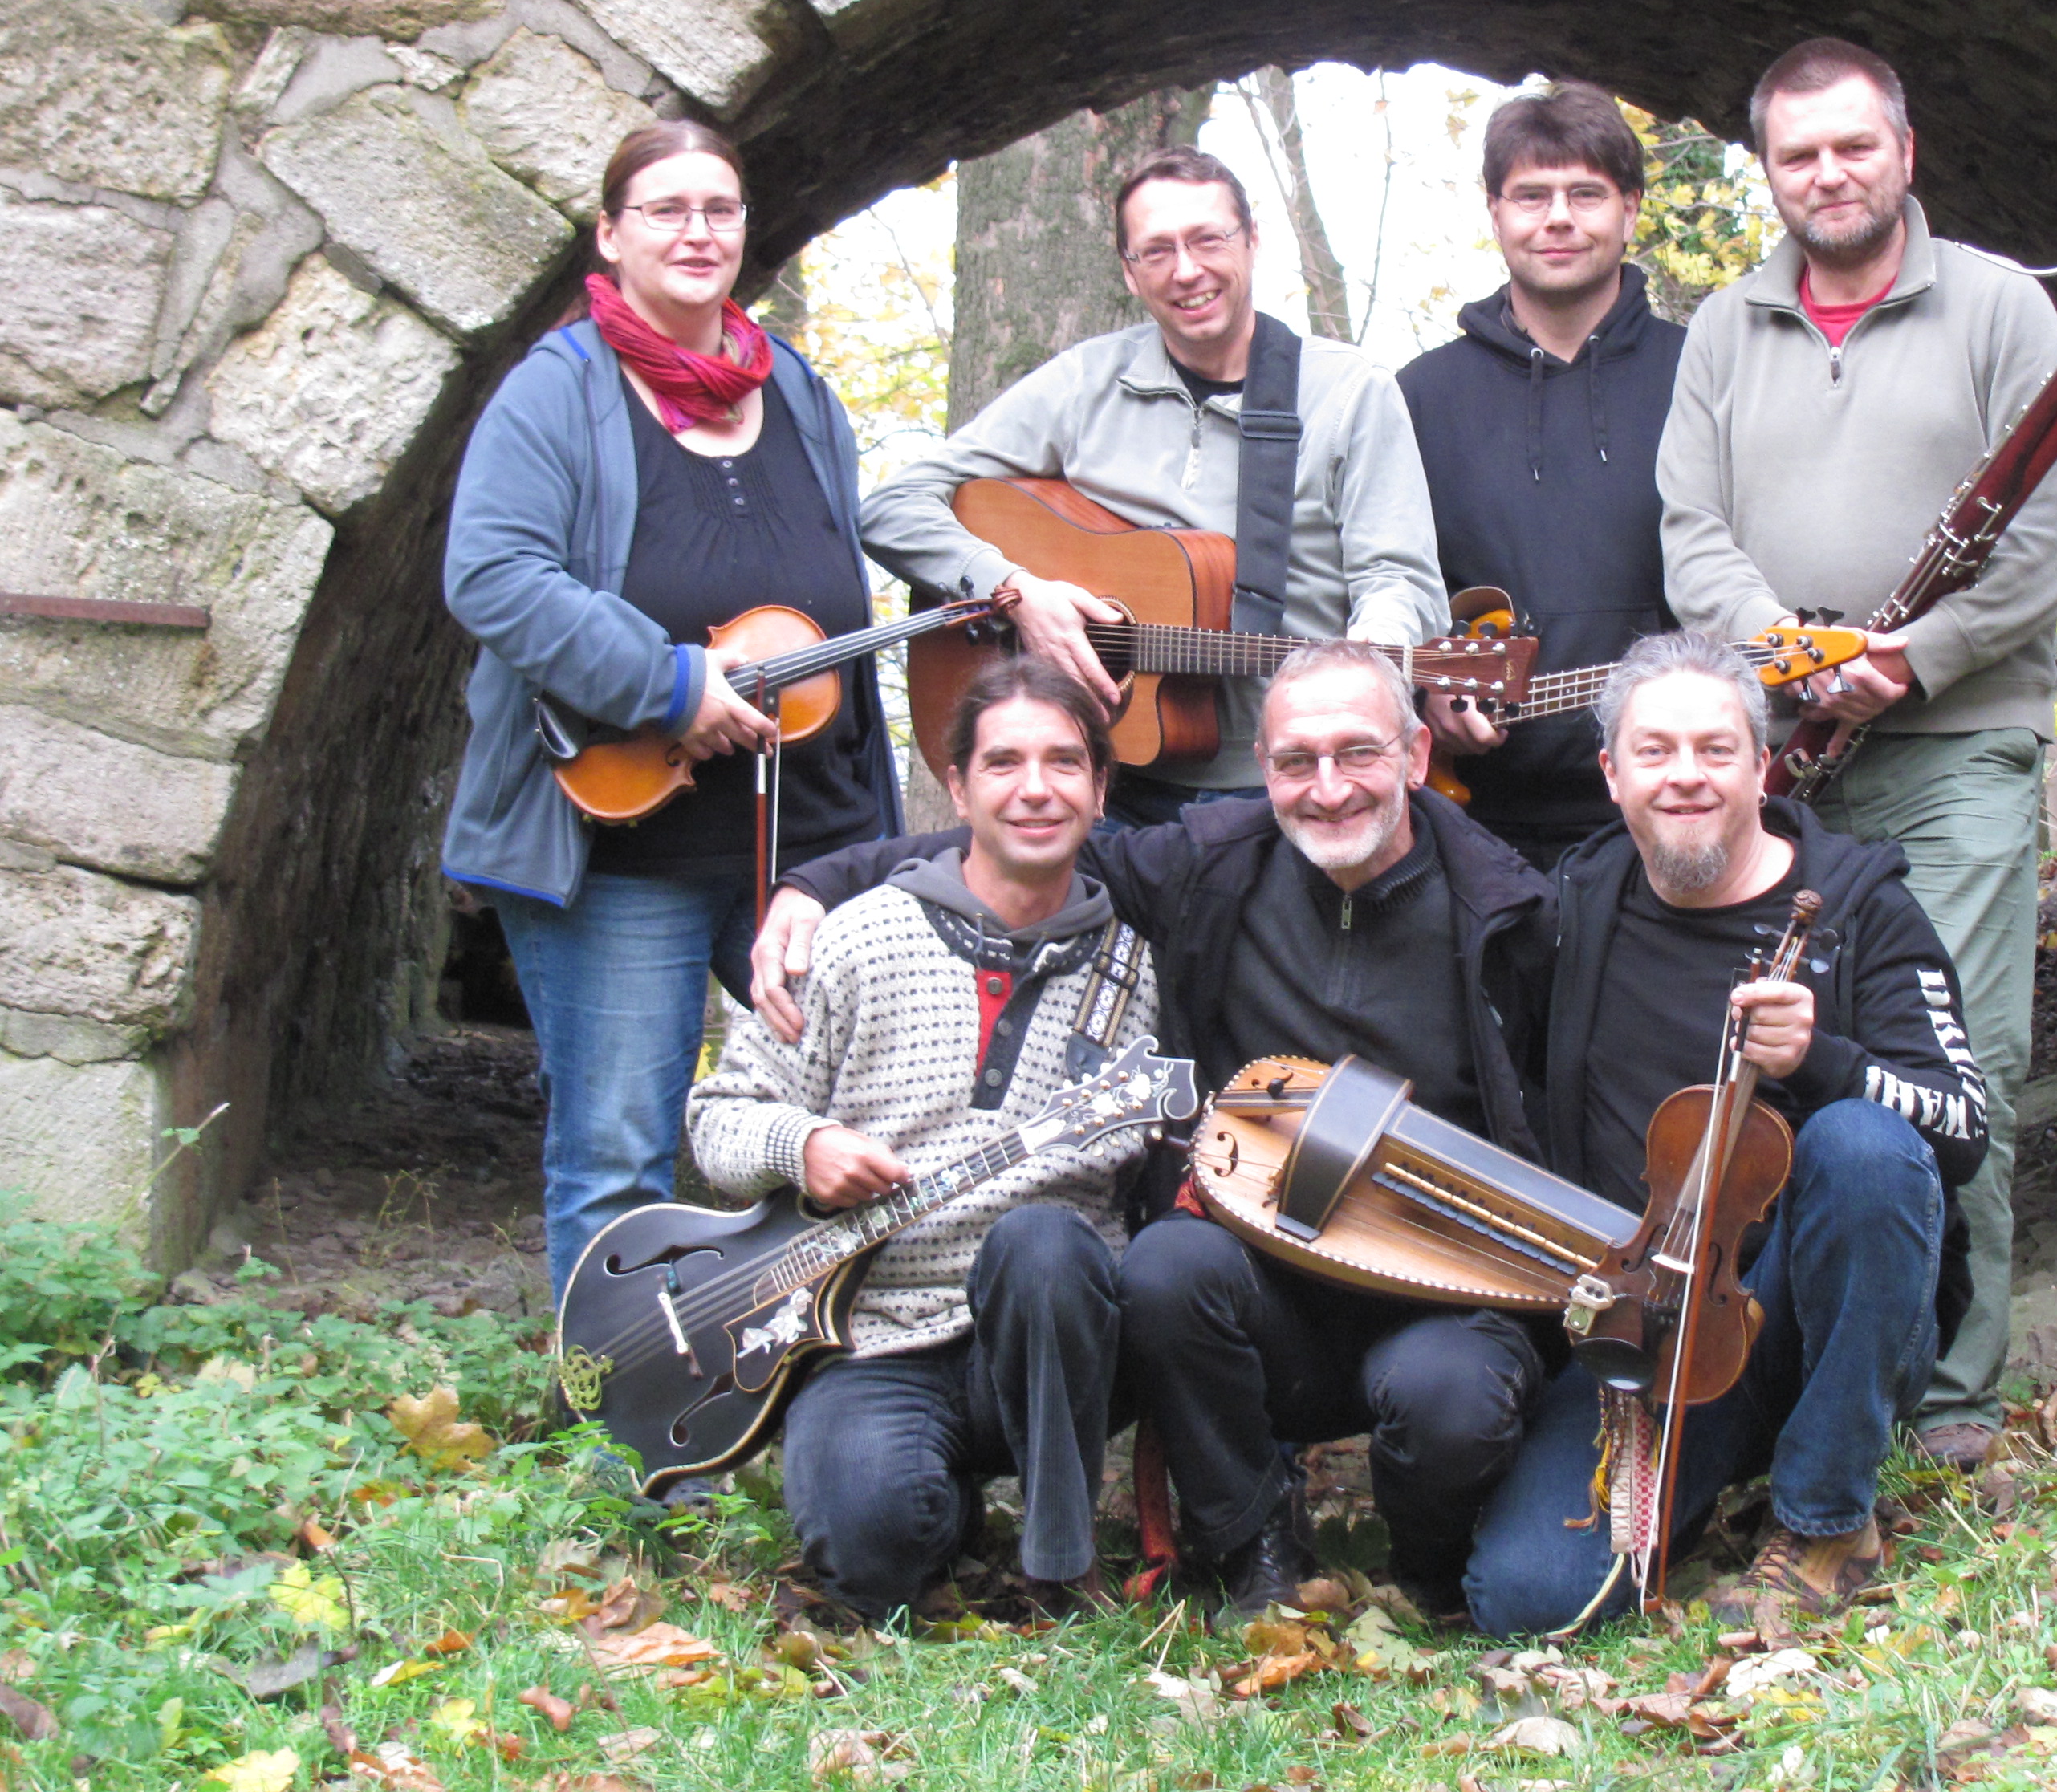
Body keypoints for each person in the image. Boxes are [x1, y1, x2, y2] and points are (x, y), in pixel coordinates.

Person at [755, 642, 1555, 1619]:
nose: (1329, 788)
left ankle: (1431, 1565)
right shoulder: (1213, 865)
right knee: (1163, 1269)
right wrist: (812, 882)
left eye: (1359, 754)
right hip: (1267, 1282)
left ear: (1419, 755)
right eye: (1297, 761)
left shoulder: (1511, 910)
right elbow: (1018, 835)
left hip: (1441, 1281)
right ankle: (1251, 1541)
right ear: (1264, 771)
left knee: (1449, 1406)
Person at [1656, 38, 2057, 1472]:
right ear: (1767, 172)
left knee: (1953, 1050)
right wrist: (1789, 654)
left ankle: (1953, 1397)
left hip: (1952, 738)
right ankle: (1816, 1363)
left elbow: (2048, 546)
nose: (1827, 176)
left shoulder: (1998, 309)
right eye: (1798, 155)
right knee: (1782, 1057)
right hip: (1786, 755)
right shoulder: (1724, 327)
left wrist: (1903, 659)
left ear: (1904, 151)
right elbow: (1689, 533)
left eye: (1854, 147)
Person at [442, 120, 901, 1304]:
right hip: (626, 839)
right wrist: (668, 684)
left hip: (806, 845)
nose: (699, 232)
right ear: (611, 234)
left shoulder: (793, 385)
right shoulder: (560, 390)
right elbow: (493, 573)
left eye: (722, 209)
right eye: (666, 209)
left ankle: (820, 1393)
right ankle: (621, 1452)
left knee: (850, 1120)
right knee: (619, 1155)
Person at [1463, 630, 1990, 1639]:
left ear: (1762, 763)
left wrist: (1826, 1061)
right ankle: (1718, 1467)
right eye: (1654, 753)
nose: (1686, 778)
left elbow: (1961, 1127)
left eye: (1715, 750)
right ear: (1611, 774)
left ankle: (1827, 1518)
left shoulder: (1862, 909)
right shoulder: (1573, 908)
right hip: (1654, 1322)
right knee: (1525, 1599)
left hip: (1815, 1315)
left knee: (1861, 1148)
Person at [686, 656, 1152, 1621]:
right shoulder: (854, 938)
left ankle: (1061, 1563)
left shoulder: (1141, 967)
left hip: (1049, 1335)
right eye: (1005, 763)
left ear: (1101, 790)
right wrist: (801, 1146)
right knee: (874, 1548)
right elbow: (717, 1118)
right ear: (958, 786)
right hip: (868, 1335)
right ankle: (932, 1513)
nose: (1036, 790)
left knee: (1046, 1240)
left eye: (1066, 764)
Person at [857, 147, 1447, 825]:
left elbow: (1399, 581)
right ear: (1130, 273)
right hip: (1100, 778)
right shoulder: (1084, 384)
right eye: (1157, 251)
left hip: (1289, 782)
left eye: (1208, 240)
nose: (1187, 270)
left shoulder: (1348, 392)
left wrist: (1357, 681)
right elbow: (891, 508)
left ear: (1253, 242)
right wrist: (1015, 592)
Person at [1399, 83, 1681, 870]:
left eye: (1585, 193)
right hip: (1472, 815)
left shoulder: (1701, 375)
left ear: (1629, 208)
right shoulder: (1419, 395)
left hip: (1667, 805)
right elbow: (1392, 576)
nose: (1558, 218)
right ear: (1495, 212)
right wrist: (1429, 685)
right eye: (1531, 195)